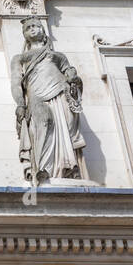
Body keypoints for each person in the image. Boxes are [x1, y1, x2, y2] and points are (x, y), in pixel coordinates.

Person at [11, 17, 87, 184]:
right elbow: (16, 83)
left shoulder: (57, 56)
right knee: (44, 122)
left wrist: (73, 78)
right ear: (24, 35)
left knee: (63, 127)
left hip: (60, 93)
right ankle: (43, 168)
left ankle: (66, 168)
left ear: (42, 29)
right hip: (36, 96)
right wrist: (20, 104)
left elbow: (69, 73)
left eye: (35, 26)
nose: (32, 29)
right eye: (28, 28)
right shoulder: (20, 58)